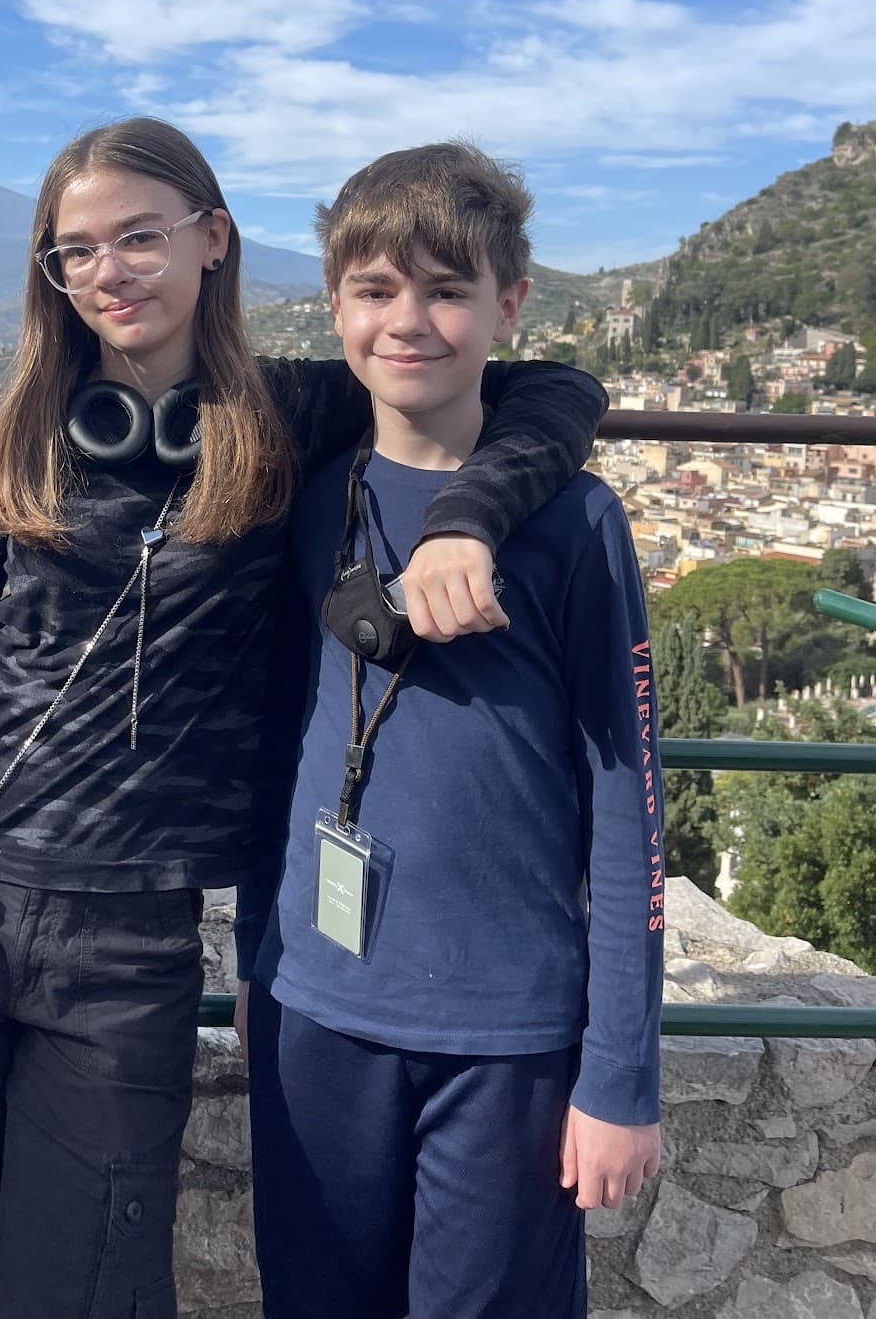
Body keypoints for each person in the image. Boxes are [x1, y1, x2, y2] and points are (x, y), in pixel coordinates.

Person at [0, 118, 608, 1319]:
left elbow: (558, 392)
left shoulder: (290, 414)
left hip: (126, 939)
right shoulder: (1, 443)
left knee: (93, 1282)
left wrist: (468, 515)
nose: (110, 270)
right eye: (77, 251)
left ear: (214, 239)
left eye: (142, 236)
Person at [237, 142, 663, 1319]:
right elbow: (284, 736)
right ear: (334, 306)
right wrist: (253, 965)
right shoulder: (313, 495)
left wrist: (620, 1072)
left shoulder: (578, 522)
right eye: (375, 290)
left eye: (447, 289)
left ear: (509, 305)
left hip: (508, 1036)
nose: (407, 320)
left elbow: (629, 805)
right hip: (313, 1011)